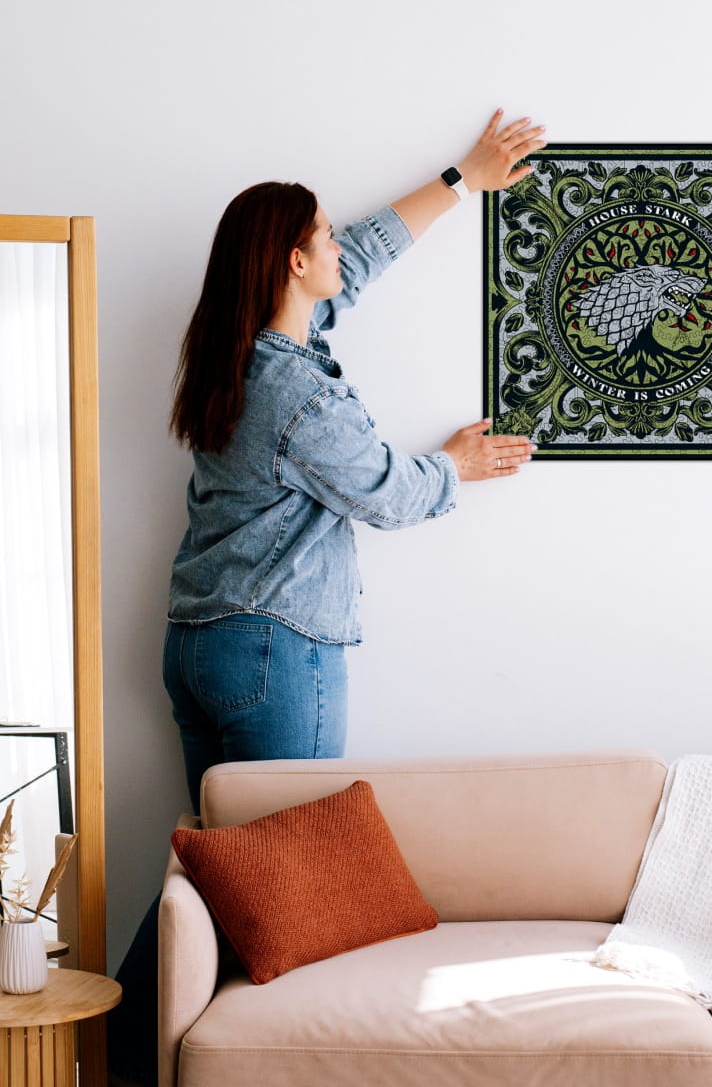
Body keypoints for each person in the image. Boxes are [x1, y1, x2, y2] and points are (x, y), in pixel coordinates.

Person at [109, 110, 546, 1086]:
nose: (341, 246)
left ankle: (121, 1048)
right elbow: (385, 492)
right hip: (275, 648)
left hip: (200, 643)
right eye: (323, 238)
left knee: (222, 868)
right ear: (294, 263)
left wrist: (463, 179)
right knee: (283, 883)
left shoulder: (236, 352)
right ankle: (145, 1047)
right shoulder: (298, 393)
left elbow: (367, 252)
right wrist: (456, 466)